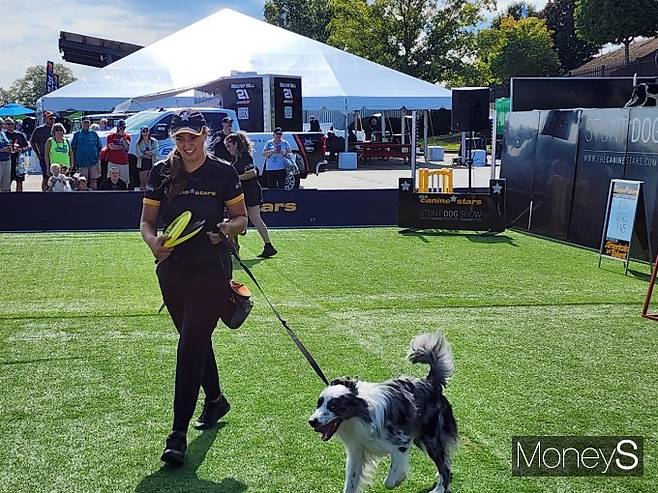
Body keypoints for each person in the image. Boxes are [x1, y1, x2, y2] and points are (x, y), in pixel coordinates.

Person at [140, 109, 248, 468]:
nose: (187, 145)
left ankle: (177, 434)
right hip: (172, 271)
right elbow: (147, 221)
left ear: (206, 135)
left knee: (189, 346)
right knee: (196, 339)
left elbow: (242, 219)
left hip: (212, 269)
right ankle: (215, 398)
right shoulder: (161, 172)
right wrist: (153, 243)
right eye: (180, 138)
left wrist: (227, 229)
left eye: (193, 137)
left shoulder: (224, 172)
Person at [225, 132, 277, 258]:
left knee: (255, 218)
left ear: (236, 144)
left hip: (251, 191)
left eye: (229, 146)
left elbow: (252, 173)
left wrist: (236, 178)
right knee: (235, 218)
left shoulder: (245, 157)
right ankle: (234, 247)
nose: (228, 149)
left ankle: (268, 245)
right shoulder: (235, 159)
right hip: (240, 193)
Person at [71, 117, 103, 190]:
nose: (86, 124)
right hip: (81, 162)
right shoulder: (77, 134)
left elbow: (99, 147)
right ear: (81, 123)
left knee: (94, 180)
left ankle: (94, 197)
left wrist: (98, 160)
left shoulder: (94, 134)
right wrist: (74, 162)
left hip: (94, 162)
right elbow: (73, 148)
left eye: (87, 122)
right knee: (81, 181)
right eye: (84, 122)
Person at [30, 111, 56, 191]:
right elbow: (32, 141)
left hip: (55, 156)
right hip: (44, 156)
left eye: (53, 119)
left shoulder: (56, 129)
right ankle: (44, 194)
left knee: (55, 176)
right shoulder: (39, 130)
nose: (52, 120)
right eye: (50, 118)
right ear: (45, 118)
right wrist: (38, 153)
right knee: (46, 176)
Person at [4, 118, 30, 192]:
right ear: (5, 125)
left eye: (12, 124)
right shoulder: (3, 135)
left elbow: (28, 146)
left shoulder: (19, 134)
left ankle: (19, 198)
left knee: (19, 180)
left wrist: (21, 149)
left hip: (19, 161)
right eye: (9, 124)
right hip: (7, 161)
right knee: (7, 181)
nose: (11, 126)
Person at [105, 119, 131, 184]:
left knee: (125, 181)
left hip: (124, 162)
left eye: (124, 127)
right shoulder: (111, 136)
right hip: (113, 162)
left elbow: (127, 146)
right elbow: (112, 147)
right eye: (121, 127)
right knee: (111, 181)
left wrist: (122, 137)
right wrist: (122, 147)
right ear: (117, 127)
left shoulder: (127, 136)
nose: (122, 129)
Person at [0, 123, 11, 192]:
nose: (1, 125)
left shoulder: (3, 133)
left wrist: (11, 148)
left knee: (6, 185)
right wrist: (2, 150)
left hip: (7, 160)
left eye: (2, 123)